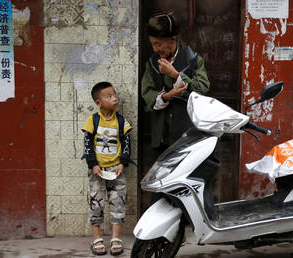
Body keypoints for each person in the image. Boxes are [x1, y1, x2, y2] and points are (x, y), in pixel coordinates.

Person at [141, 12, 210, 153]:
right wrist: (167, 96)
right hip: (161, 137)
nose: (155, 49)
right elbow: (147, 93)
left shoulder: (193, 59)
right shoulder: (152, 63)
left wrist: (175, 75)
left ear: (172, 40)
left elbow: (202, 89)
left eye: (158, 44)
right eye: (153, 44)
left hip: (188, 134)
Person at [81, 81, 132, 256]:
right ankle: (96, 238)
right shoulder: (93, 120)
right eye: (108, 96)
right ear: (98, 102)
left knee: (118, 202)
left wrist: (122, 163)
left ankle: (116, 238)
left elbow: (126, 143)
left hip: (116, 169)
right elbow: (87, 144)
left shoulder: (121, 121)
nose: (114, 98)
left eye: (114, 94)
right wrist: (93, 164)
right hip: (97, 169)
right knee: (96, 202)